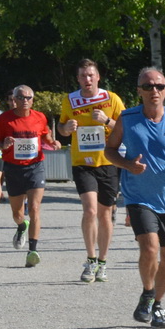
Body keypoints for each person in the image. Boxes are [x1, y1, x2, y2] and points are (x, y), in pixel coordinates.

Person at [105, 68, 165, 329]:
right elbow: (109, 151)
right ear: (139, 91)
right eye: (147, 86)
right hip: (139, 196)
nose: (154, 90)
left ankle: (157, 302)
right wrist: (127, 164)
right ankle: (148, 292)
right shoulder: (127, 118)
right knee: (149, 247)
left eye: (159, 86)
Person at [59, 59, 126, 284]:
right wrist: (65, 129)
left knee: (105, 214)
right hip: (82, 163)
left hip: (107, 162)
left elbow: (126, 128)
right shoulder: (70, 100)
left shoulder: (112, 99)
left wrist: (107, 120)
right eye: (83, 76)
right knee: (90, 210)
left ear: (98, 77)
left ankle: (103, 262)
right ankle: (90, 259)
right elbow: (62, 126)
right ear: (78, 79)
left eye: (91, 75)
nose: (87, 79)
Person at [0, 85, 63, 267]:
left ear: (32, 100)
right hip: (13, 169)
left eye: (28, 97)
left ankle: (33, 250)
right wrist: (3, 143)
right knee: (17, 213)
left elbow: (45, 136)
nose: (25, 100)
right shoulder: (4, 119)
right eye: (21, 97)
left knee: (34, 208)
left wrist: (53, 142)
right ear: (14, 100)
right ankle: (21, 226)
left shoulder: (39, 117)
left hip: (35, 167)